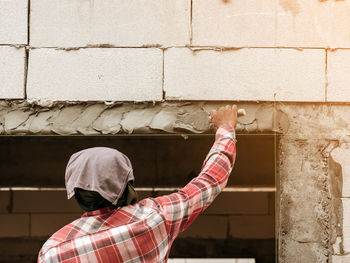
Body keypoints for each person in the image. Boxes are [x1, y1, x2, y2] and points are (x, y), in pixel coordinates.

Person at [38, 105, 238, 263]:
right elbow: (210, 181)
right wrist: (225, 128)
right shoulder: (155, 218)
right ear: (127, 186)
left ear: (77, 193)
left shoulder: (54, 251)